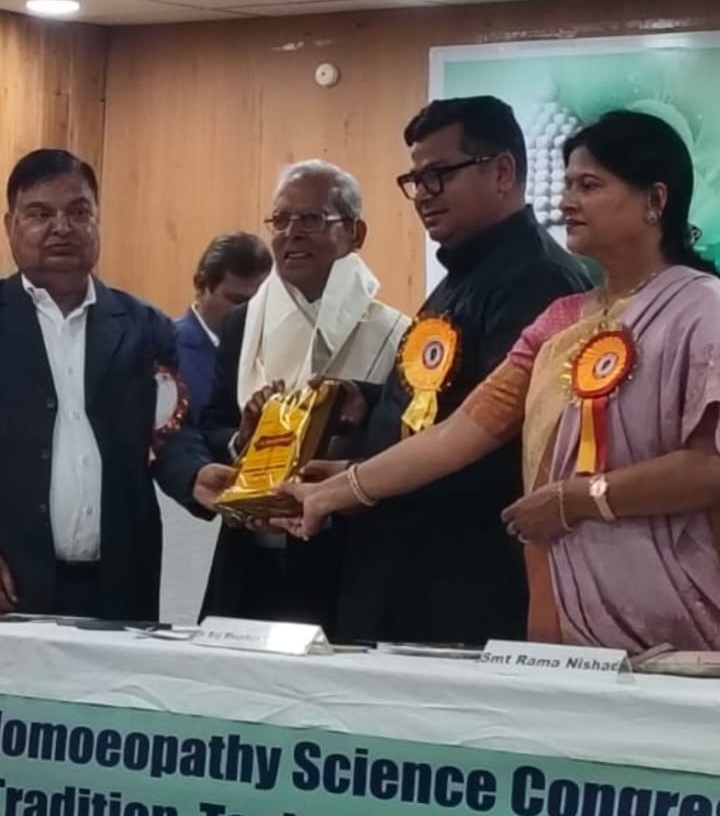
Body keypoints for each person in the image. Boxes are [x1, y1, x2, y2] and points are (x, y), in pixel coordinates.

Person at [280, 110, 720, 654]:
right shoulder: (560, 321)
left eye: (589, 186)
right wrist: (330, 492)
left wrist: (579, 500)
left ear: (655, 199)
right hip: (565, 603)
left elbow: (710, 466)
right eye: (567, 186)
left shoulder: (702, 309)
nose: (567, 202)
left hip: (675, 604)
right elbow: (458, 433)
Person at [278, 96, 592, 647]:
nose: (423, 194)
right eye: (415, 180)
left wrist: (357, 482)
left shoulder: (539, 281)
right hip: (403, 565)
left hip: (464, 579)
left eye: (439, 175)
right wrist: (369, 402)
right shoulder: (464, 273)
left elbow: (498, 440)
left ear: (502, 172)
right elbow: (444, 397)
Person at [0, 149, 234, 621]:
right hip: (13, 586)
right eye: (40, 214)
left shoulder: (143, 326)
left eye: (79, 212)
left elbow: (169, 432)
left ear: (97, 219)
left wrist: (196, 475)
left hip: (121, 583)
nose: (62, 227)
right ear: (10, 226)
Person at [199, 159, 409, 634]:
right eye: (280, 220)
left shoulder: (398, 334)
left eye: (311, 219)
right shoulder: (241, 322)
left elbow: (402, 442)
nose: (291, 233)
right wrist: (242, 441)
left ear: (355, 233)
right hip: (247, 558)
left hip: (343, 561)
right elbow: (212, 424)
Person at [176, 232, 271, 420]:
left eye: (259, 303)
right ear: (201, 286)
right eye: (237, 301)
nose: (248, 312)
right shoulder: (167, 349)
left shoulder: (272, 345)